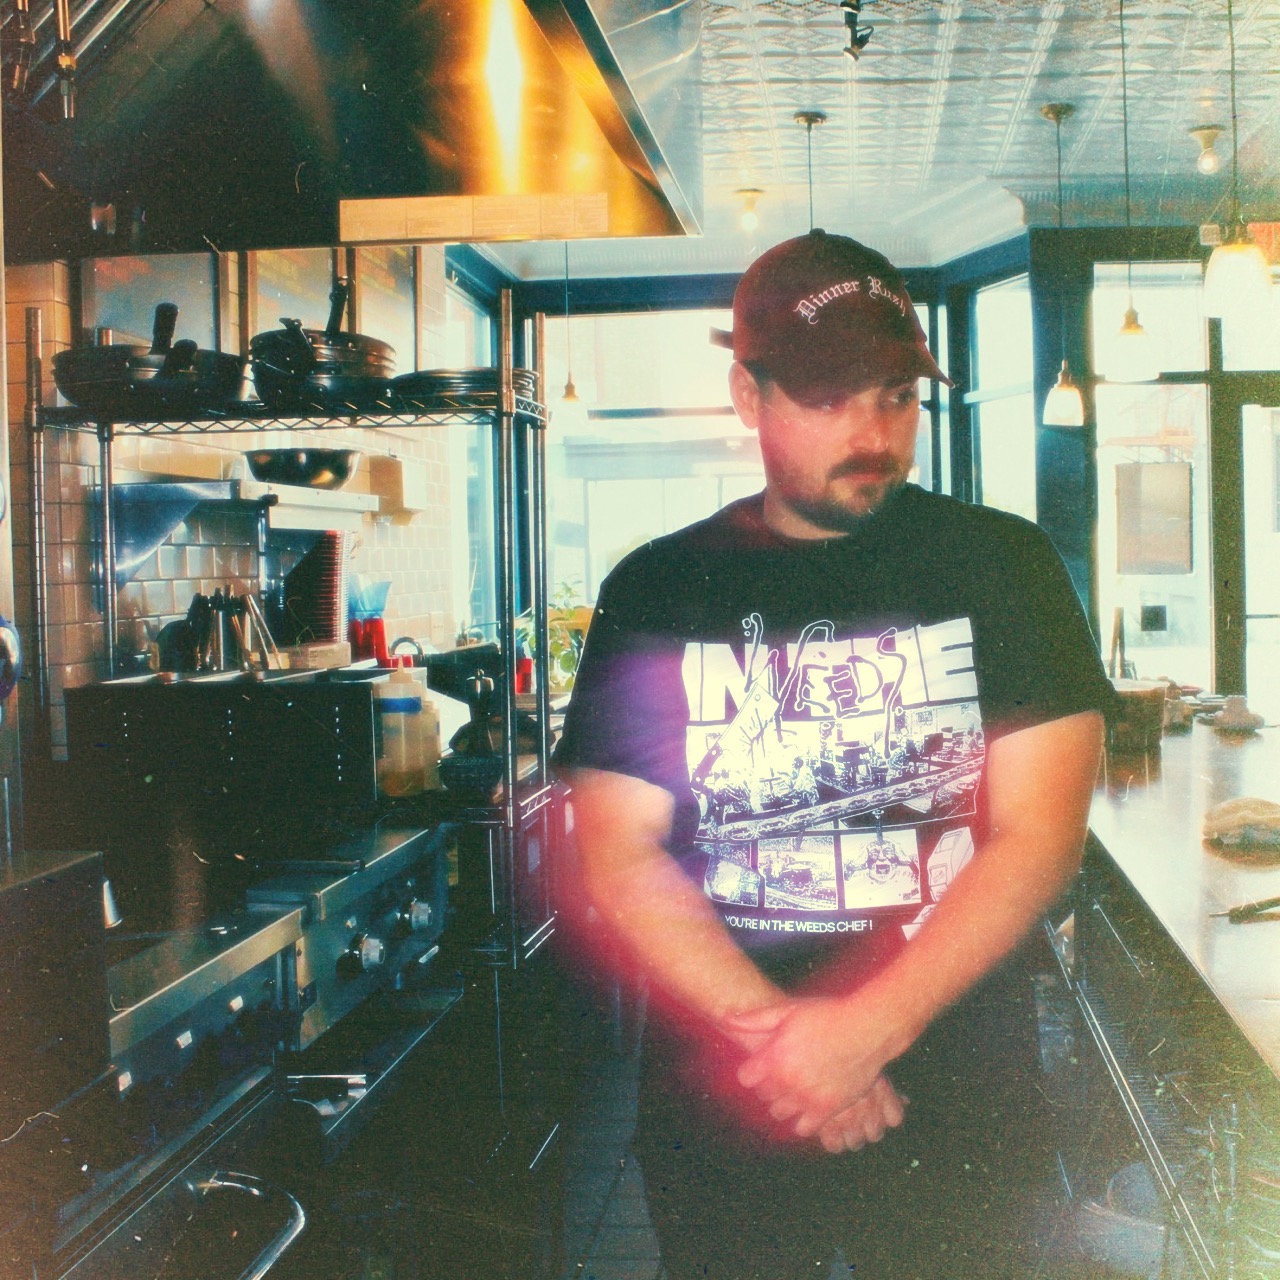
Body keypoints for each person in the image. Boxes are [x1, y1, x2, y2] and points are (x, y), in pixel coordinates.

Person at [554, 229, 1112, 1279]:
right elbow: (620, 852)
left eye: (896, 395)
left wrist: (865, 1032)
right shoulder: (659, 588)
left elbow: (1040, 836)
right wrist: (793, 1043)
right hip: (726, 1094)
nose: (873, 434)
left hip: (960, 1086)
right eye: (828, 397)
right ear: (747, 394)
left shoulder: (1004, 565)